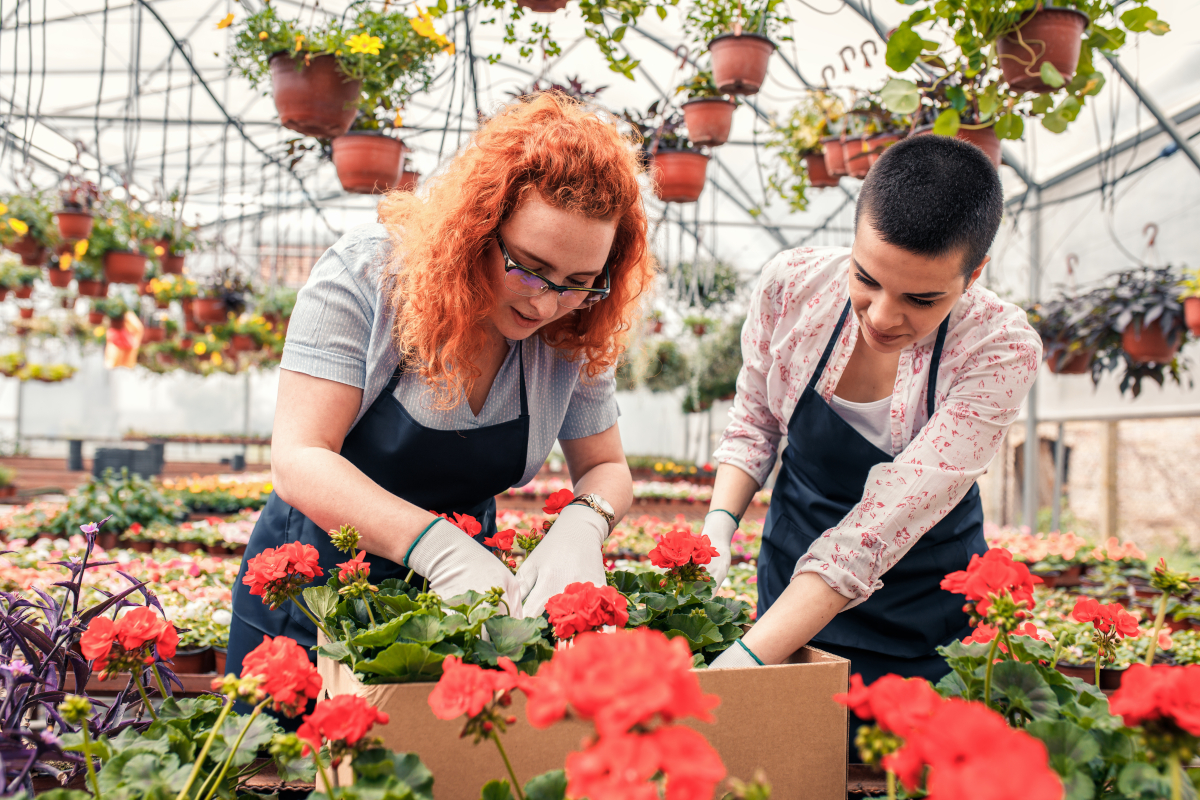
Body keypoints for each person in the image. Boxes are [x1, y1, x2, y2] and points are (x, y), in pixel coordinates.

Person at [227, 93, 655, 703]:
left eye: (579, 282)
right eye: (529, 267)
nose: (544, 302)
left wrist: (583, 525)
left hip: (455, 604)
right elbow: (299, 456)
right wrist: (439, 548)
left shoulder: (570, 328)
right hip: (313, 592)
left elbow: (606, 467)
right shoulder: (365, 278)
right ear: (477, 228)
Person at [701, 136, 1041, 694]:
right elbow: (755, 422)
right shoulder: (792, 287)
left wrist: (747, 656)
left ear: (974, 274)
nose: (883, 317)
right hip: (791, 582)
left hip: (923, 603)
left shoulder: (998, 349)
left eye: (921, 299)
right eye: (866, 277)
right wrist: (719, 530)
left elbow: (879, 526)